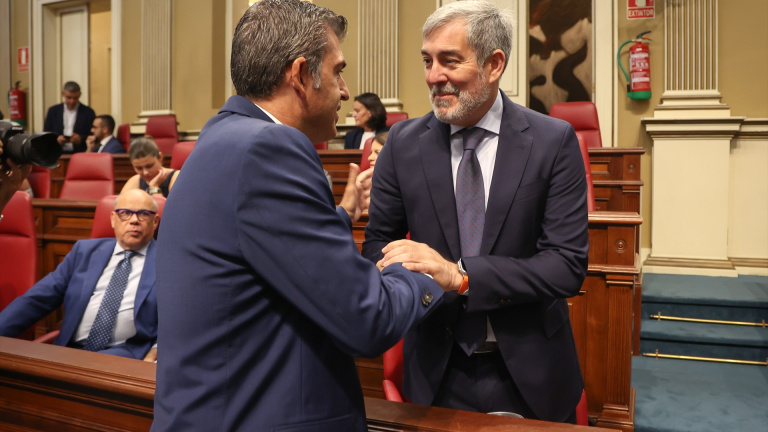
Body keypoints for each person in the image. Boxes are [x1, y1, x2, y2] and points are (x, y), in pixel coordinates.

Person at [151, 1, 447, 431]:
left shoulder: (219, 137)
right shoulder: (271, 148)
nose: (344, 90)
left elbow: (264, 253)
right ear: (301, 74)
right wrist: (426, 271)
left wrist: (341, 216)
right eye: (337, 71)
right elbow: (368, 319)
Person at [362, 1, 589, 424]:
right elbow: (378, 246)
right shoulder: (401, 144)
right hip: (435, 370)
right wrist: (418, 283)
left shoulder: (553, 141)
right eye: (427, 61)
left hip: (531, 371)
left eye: (450, 61)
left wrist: (462, 277)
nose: (434, 76)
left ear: (494, 64)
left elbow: (566, 265)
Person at [0, 189, 159, 361]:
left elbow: (177, 321)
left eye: (144, 214)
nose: (134, 220)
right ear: (113, 219)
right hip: (69, 352)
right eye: (125, 213)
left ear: (155, 222)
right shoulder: (84, 251)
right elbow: (37, 299)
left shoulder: (168, 263)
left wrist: (156, 351)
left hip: (123, 356)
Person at [43, 81, 96, 154]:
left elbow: (93, 134)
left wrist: (81, 138)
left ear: (80, 94)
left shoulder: (88, 112)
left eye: (75, 98)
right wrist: (56, 139)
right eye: (69, 97)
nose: (72, 101)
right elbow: (46, 133)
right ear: (63, 94)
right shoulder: (53, 111)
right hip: (56, 152)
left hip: (79, 152)